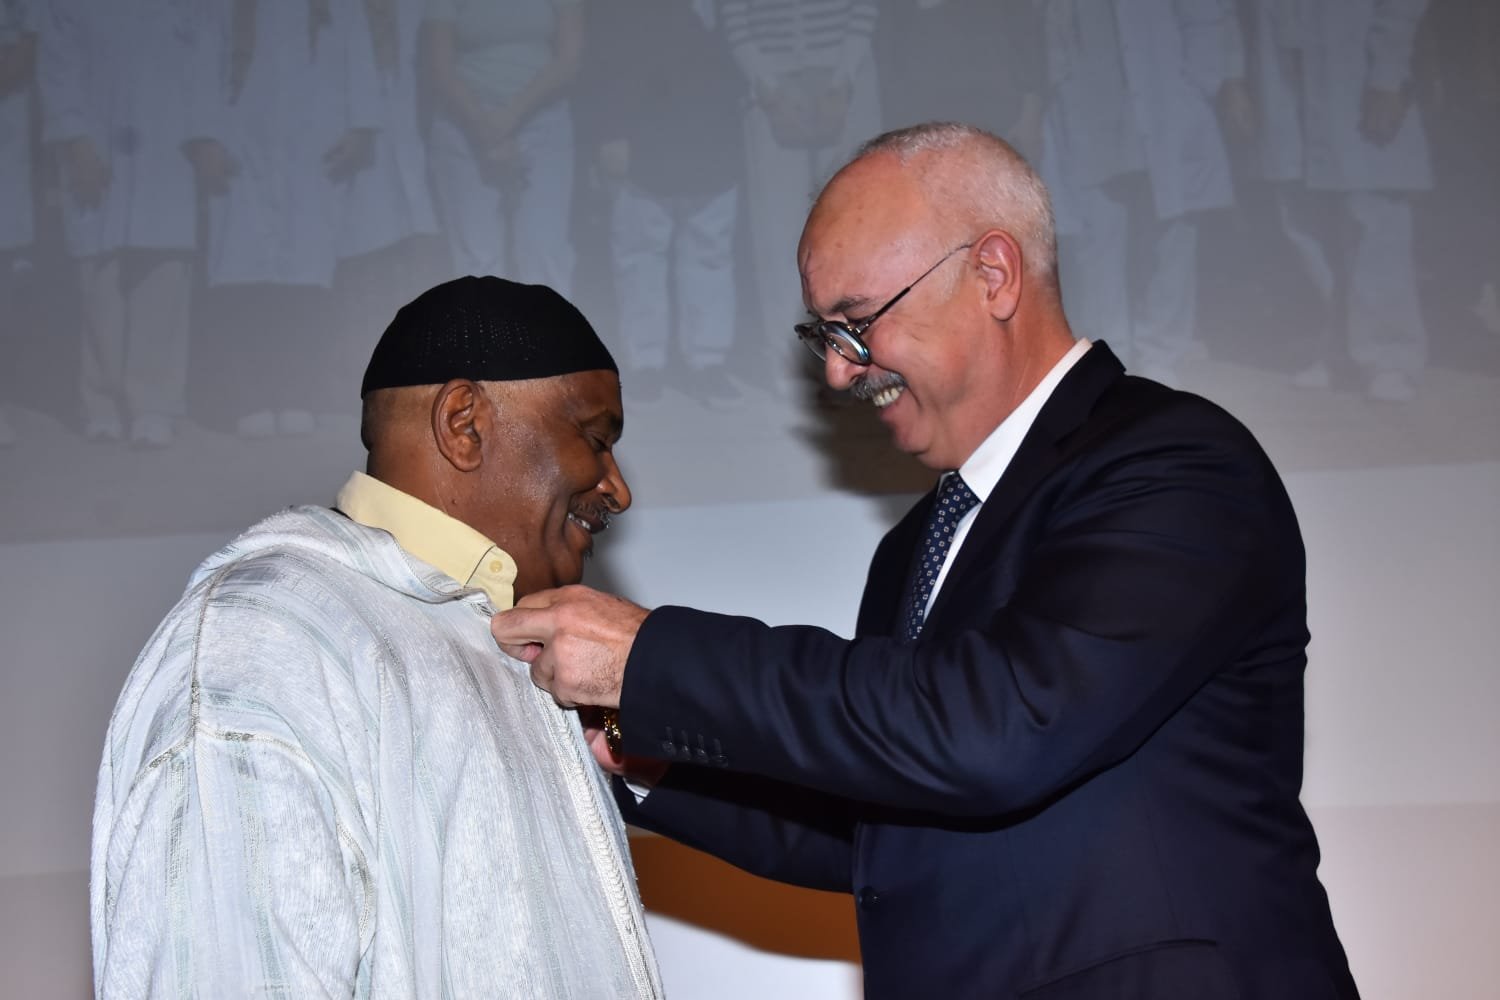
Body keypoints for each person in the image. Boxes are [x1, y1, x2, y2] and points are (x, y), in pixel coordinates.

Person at [493, 123, 1361, 998]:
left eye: (858, 324)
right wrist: (644, 763)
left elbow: (1000, 727)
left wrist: (654, 658)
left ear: (993, 274)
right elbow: (882, 831)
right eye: (824, 336)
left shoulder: (1173, 462)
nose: (839, 374)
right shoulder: (917, 545)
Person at [91, 276, 664, 999]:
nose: (617, 489)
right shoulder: (266, 645)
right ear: (463, 423)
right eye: (596, 439)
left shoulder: (504, 642)